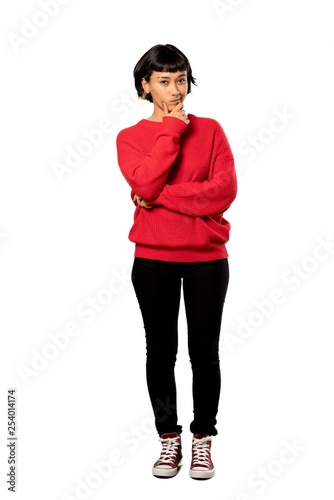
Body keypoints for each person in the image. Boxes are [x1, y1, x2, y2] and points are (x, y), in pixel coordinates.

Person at [116, 43, 237, 480]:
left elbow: (222, 192)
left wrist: (158, 196)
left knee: (205, 354)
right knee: (160, 352)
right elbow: (143, 178)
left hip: (207, 258)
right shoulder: (130, 138)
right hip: (152, 259)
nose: (175, 89)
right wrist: (170, 130)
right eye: (164, 81)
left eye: (181, 79)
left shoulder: (212, 131)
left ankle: (203, 439)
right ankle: (170, 441)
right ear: (145, 86)